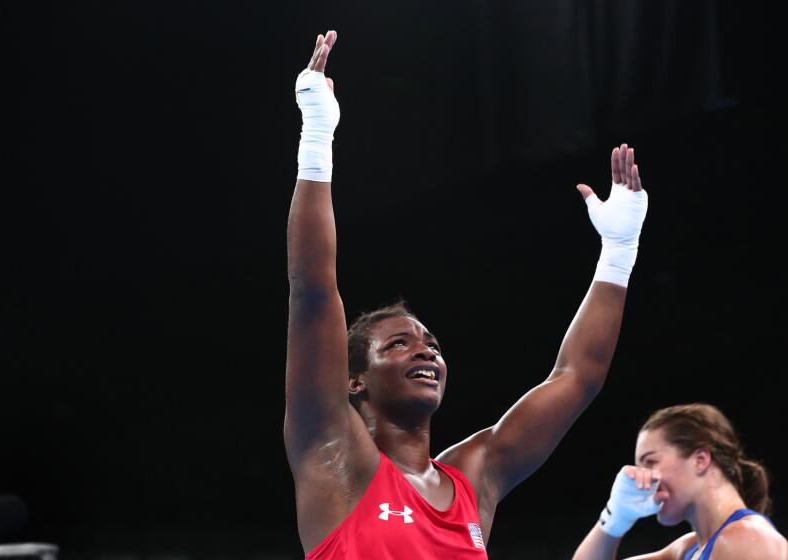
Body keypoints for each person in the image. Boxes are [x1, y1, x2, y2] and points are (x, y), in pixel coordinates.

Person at [285, 30, 648, 558]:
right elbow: (313, 293)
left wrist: (619, 251)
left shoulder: (473, 479)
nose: (426, 350)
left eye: (429, 342)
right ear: (354, 380)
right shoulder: (334, 454)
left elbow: (576, 378)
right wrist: (317, 138)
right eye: (397, 345)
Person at [572, 403, 788, 559]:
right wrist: (615, 517)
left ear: (700, 460)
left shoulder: (749, 541)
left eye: (650, 462)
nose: (642, 480)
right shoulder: (688, 549)